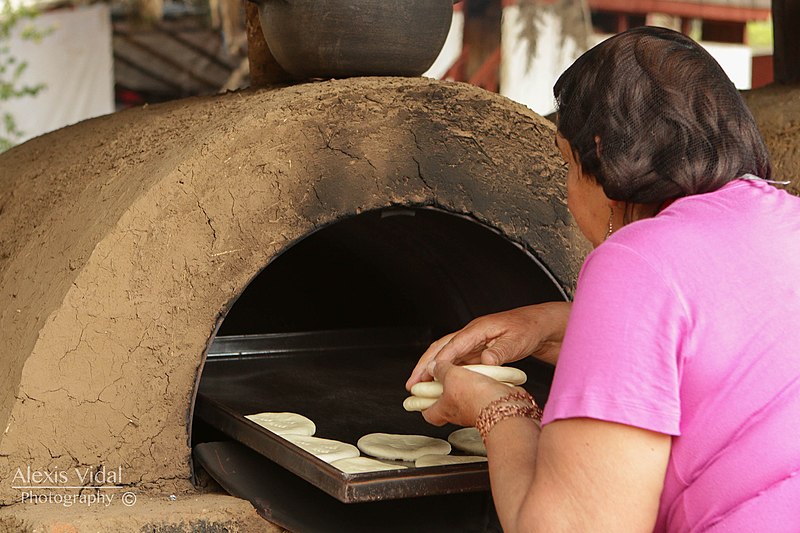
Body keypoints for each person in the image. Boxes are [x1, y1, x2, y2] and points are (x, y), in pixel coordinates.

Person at [406, 26, 800, 532]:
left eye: (567, 165)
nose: (569, 194)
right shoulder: (785, 220)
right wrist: (551, 324)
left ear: (601, 155)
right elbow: (732, 337)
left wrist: (496, 407)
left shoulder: (636, 259)